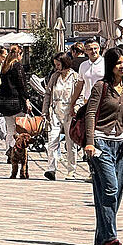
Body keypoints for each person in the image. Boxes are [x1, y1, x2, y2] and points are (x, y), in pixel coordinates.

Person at [84, 48, 123, 245]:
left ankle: (102, 235)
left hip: (120, 143)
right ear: (111, 67)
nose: (122, 66)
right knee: (110, 188)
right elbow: (90, 114)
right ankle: (110, 235)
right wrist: (89, 141)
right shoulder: (101, 86)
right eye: (118, 63)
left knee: (115, 190)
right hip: (100, 142)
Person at [42, 52, 81, 181]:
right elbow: (48, 94)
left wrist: (75, 108)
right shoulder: (54, 77)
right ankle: (51, 169)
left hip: (69, 111)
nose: (56, 67)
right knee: (52, 141)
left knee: (71, 143)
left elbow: (79, 94)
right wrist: (45, 111)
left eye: (58, 64)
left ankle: (71, 170)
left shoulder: (75, 77)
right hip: (55, 110)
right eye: (55, 65)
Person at [0, 45, 32, 152]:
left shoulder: (5, 66)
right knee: (21, 130)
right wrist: (27, 99)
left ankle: (9, 151)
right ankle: (18, 151)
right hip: (17, 102)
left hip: (5, 103)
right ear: (18, 54)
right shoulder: (17, 66)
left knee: (10, 130)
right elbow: (21, 85)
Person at [69, 39, 103, 120]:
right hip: (88, 102)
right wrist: (72, 103)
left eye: (96, 48)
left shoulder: (105, 63)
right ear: (86, 51)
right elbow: (79, 86)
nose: (94, 51)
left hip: (104, 101)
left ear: (99, 49)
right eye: (90, 49)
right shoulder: (83, 66)